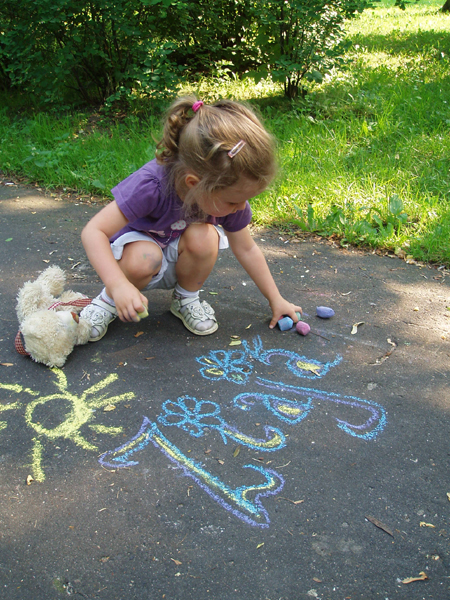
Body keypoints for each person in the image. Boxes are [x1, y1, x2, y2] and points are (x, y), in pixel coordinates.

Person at [80, 96, 302, 341]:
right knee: (145, 257)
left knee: (205, 236)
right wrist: (117, 285)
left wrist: (276, 299)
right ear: (194, 184)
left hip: (176, 251)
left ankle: (185, 298)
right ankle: (107, 301)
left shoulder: (224, 192)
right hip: (136, 257)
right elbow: (94, 232)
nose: (240, 207)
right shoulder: (151, 185)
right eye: (232, 201)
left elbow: (247, 248)